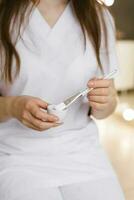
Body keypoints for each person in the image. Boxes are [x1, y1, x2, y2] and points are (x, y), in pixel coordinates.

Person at [0, 0, 125, 199]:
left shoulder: (99, 17)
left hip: (82, 152)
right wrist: (13, 106)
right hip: (16, 155)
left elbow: (106, 108)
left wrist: (105, 102)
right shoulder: (4, 14)